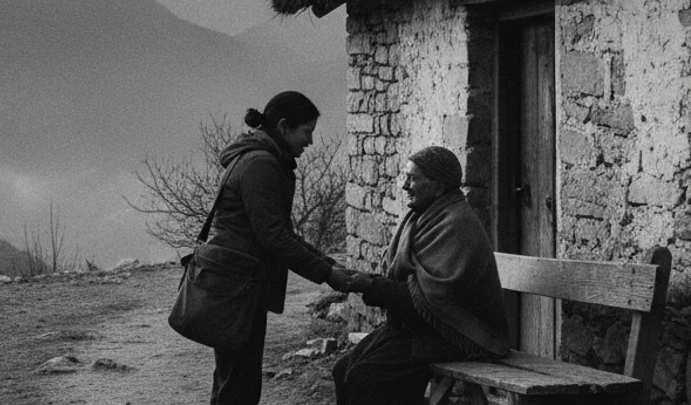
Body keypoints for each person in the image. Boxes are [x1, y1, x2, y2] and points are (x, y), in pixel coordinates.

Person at [204, 91, 360, 405]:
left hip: (238, 282)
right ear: (284, 126)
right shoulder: (261, 164)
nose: (311, 142)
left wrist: (326, 263)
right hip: (240, 285)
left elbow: (279, 232)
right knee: (239, 383)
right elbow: (273, 237)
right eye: (307, 132)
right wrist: (328, 272)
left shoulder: (258, 158)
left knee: (235, 376)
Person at [332, 146, 510, 405]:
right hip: (418, 327)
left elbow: (433, 298)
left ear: (438, 187)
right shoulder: (423, 217)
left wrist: (371, 286)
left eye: (412, 178)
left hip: (455, 333)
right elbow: (412, 286)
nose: (405, 186)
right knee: (343, 370)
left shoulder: (457, 224)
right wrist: (368, 282)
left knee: (367, 378)